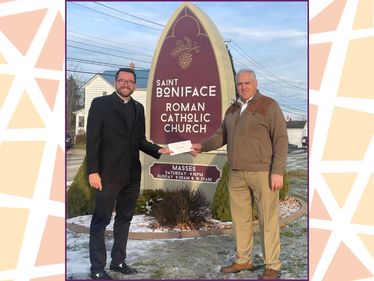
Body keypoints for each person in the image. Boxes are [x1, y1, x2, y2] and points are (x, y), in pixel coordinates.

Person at [191, 68, 288, 280]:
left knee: (267, 219)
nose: (243, 87)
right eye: (240, 84)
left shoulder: (269, 105)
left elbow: (281, 138)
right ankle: (243, 259)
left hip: (262, 172)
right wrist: (202, 145)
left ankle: (272, 264)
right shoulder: (232, 109)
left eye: (247, 83)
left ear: (255, 83)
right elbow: (220, 136)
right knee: (240, 220)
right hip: (236, 173)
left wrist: (277, 171)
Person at [86, 67, 171, 280]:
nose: (126, 84)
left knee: (124, 219)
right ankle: (97, 267)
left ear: (134, 84)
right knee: (101, 220)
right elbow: (93, 140)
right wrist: (92, 171)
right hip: (107, 174)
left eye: (130, 81)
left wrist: (158, 149)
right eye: (122, 81)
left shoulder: (138, 108)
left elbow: (138, 140)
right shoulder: (100, 105)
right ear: (116, 83)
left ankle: (118, 261)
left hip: (131, 175)